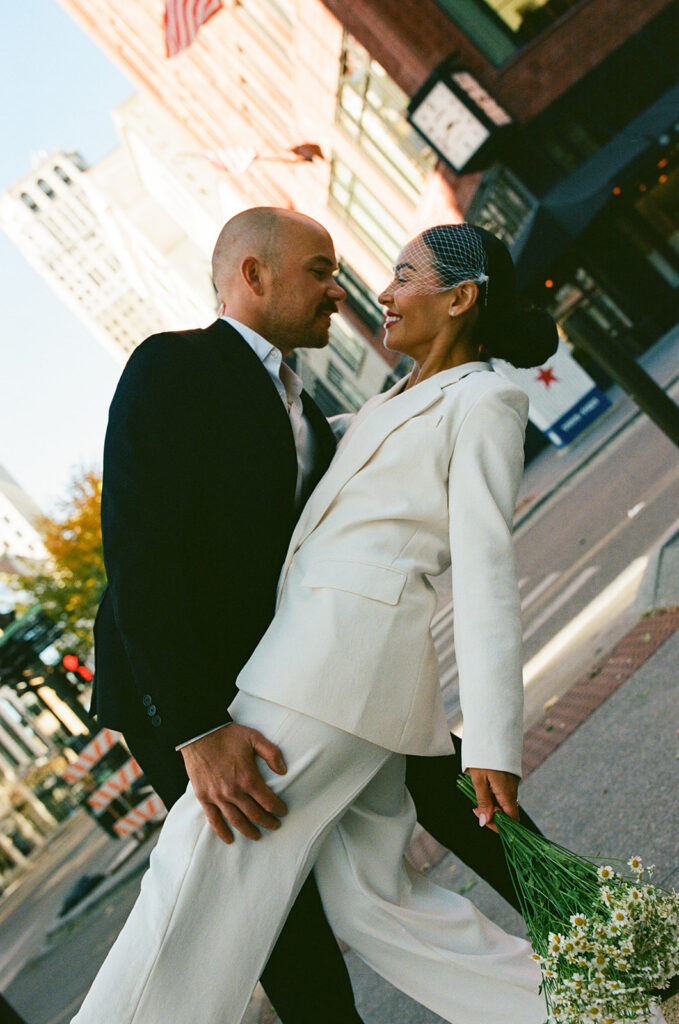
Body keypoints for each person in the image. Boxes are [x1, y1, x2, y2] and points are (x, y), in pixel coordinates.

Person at [74, 221, 562, 1024]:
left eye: (381, 274)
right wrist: (195, 725)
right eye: (320, 270)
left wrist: (495, 744)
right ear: (254, 276)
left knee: (240, 891)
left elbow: (478, 569)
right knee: (321, 915)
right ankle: (589, 986)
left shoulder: (335, 410)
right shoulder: (181, 368)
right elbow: (139, 552)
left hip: (323, 674)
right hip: (202, 695)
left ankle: (605, 966)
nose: (350, 289)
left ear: (459, 299)